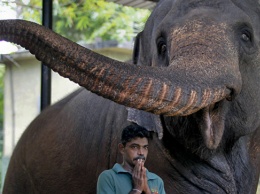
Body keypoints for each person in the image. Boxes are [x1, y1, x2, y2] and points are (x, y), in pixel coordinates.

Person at [97, 124, 166, 194]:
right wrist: (137, 189)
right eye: (135, 147)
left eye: (145, 147)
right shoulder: (108, 177)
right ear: (122, 148)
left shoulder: (156, 180)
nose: (141, 153)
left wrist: (147, 190)